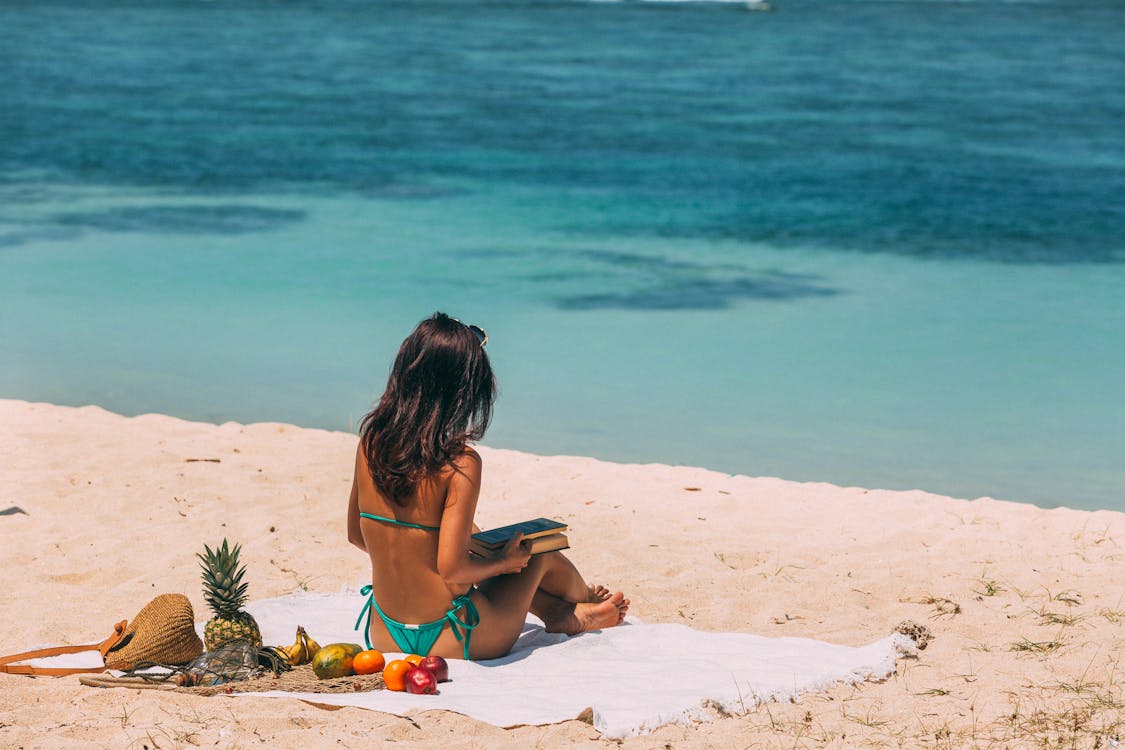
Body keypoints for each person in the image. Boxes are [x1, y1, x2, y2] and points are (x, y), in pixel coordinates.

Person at [348, 312, 628, 660]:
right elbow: (453, 570)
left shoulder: (370, 442)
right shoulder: (460, 464)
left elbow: (357, 535)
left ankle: (555, 608)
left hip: (384, 633)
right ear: (463, 391)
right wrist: (505, 563)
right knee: (537, 554)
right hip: (456, 638)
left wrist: (418, 548)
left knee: (480, 545)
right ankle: (579, 606)